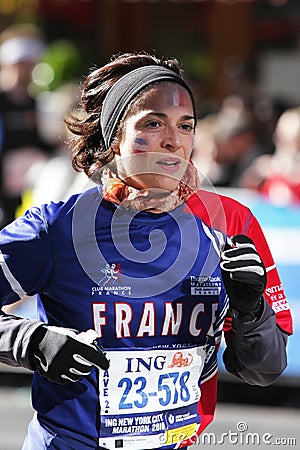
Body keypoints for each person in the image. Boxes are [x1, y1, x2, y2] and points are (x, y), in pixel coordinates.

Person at [0, 51, 292, 450]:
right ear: (113, 138)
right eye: (153, 123)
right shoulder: (59, 227)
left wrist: (251, 311)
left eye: (185, 125)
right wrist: (32, 343)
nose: (173, 139)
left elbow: (265, 370)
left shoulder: (230, 223)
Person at [0, 23, 53, 227]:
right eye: (21, 64)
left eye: (31, 64)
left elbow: (46, 144)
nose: (25, 71)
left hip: (32, 191)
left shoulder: (40, 104)